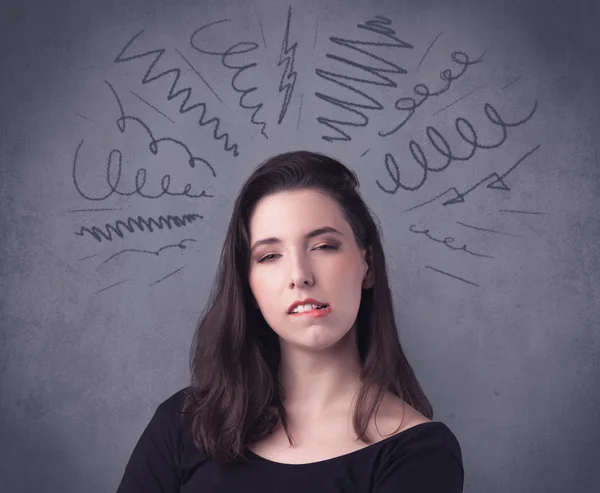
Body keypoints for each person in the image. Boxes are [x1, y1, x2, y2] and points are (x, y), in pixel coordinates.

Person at [116, 151, 464, 492]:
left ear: (367, 266)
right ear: (248, 286)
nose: (299, 275)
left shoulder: (418, 452)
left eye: (324, 246)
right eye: (269, 256)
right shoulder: (186, 423)